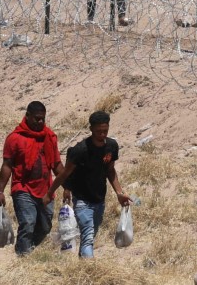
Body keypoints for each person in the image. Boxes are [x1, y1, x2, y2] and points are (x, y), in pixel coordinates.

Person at [46, 111, 132, 259]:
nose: (102, 135)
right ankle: (90, 270)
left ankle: (82, 265)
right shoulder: (80, 150)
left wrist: (119, 193)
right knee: (87, 234)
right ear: (91, 129)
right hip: (82, 200)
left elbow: (110, 171)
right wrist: (50, 193)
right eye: (99, 131)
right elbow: (65, 174)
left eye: (105, 131)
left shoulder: (111, 146)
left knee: (90, 236)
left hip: (99, 199)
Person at [0, 101, 63, 256]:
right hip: (23, 188)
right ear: (27, 116)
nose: (40, 122)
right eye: (36, 119)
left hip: (46, 190)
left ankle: (27, 247)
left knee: (45, 227)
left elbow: (57, 164)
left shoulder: (50, 136)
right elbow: (7, 165)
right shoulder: (15, 138)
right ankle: (23, 258)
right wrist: (0, 192)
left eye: (42, 119)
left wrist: (68, 185)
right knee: (28, 223)